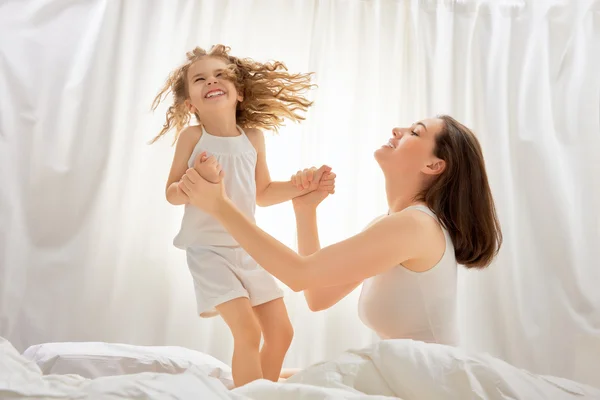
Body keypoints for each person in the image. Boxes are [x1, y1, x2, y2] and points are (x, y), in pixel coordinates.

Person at [179, 115, 502, 348]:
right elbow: (318, 296)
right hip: (407, 374)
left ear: (434, 166)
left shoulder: (414, 226)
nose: (397, 129)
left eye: (415, 132)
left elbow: (298, 274)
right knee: (272, 381)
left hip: (425, 382)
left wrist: (220, 207)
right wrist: (305, 211)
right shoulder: (394, 224)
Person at [150, 44, 335, 387]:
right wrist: (198, 181)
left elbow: (262, 193)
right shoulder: (194, 137)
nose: (211, 82)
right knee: (247, 332)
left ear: (239, 93)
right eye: (200, 79)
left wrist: (301, 187)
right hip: (209, 252)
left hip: (249, 249)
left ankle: (259, 392)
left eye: (221, 75)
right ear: (191, 103)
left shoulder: (253, 137)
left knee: (281, 332)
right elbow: (171, 193)